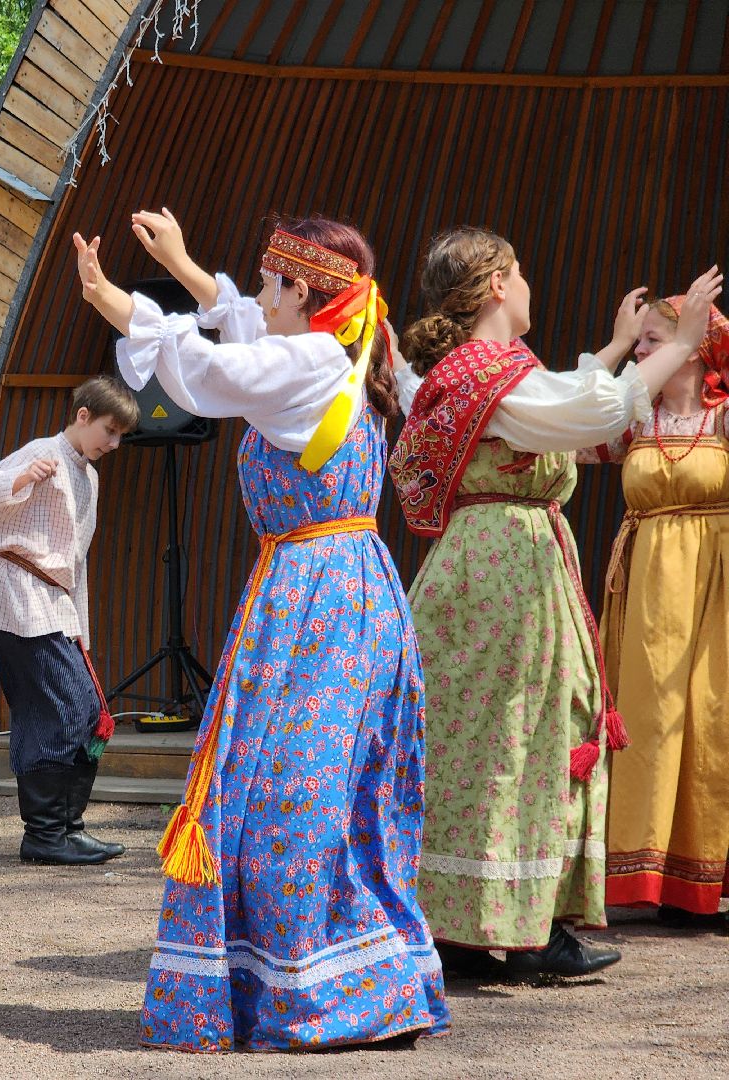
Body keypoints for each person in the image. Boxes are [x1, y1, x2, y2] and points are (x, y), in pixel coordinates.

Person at [75, 209, 450, 1051]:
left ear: (302, 292)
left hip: (311, 599)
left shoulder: (316, 358)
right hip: (351, 590)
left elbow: (213, 368)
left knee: (289, 792)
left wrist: (120, 304)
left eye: (271, 282)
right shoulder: (356, 350)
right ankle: (360, 982)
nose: (260, 297)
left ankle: (317, 991)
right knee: (334, 785)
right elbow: (248, 332)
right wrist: (190, 267)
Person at [388, 225, 722, 980]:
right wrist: (683, 340)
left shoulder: (476, 372)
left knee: (487, 743)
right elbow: (591, 417)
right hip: (509, 575)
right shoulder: (492, 374)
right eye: (525, 272)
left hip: (483, 569)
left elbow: (559, 402)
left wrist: (615, 347)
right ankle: (524, 927)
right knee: (529, 739)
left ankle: (473, 924)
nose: (533, 286)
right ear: (500, 283)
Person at [0, 375, 139, 866]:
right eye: (109, 430)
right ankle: (43, 834)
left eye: (121, 435)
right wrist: (22, 477)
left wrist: (80, 630)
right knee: (59, 708)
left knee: (89, 714)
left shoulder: (89, 475)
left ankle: (66, 828)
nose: (114, 443)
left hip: (53, 603)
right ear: (83, 416)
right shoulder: (44, 450)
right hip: (14, 595)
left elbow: (75, 561)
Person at [594, 296, 729, 928]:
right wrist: (615, 352)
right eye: (641, 343)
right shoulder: (633, 418)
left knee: (713, 718)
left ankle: (711, 874)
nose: (643, 353)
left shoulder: (724, 418)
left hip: (718, 591)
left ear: (697, 346)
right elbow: (561, 432)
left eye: (651, 341)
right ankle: (652, 875)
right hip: (649, 594)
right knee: (651, 719)